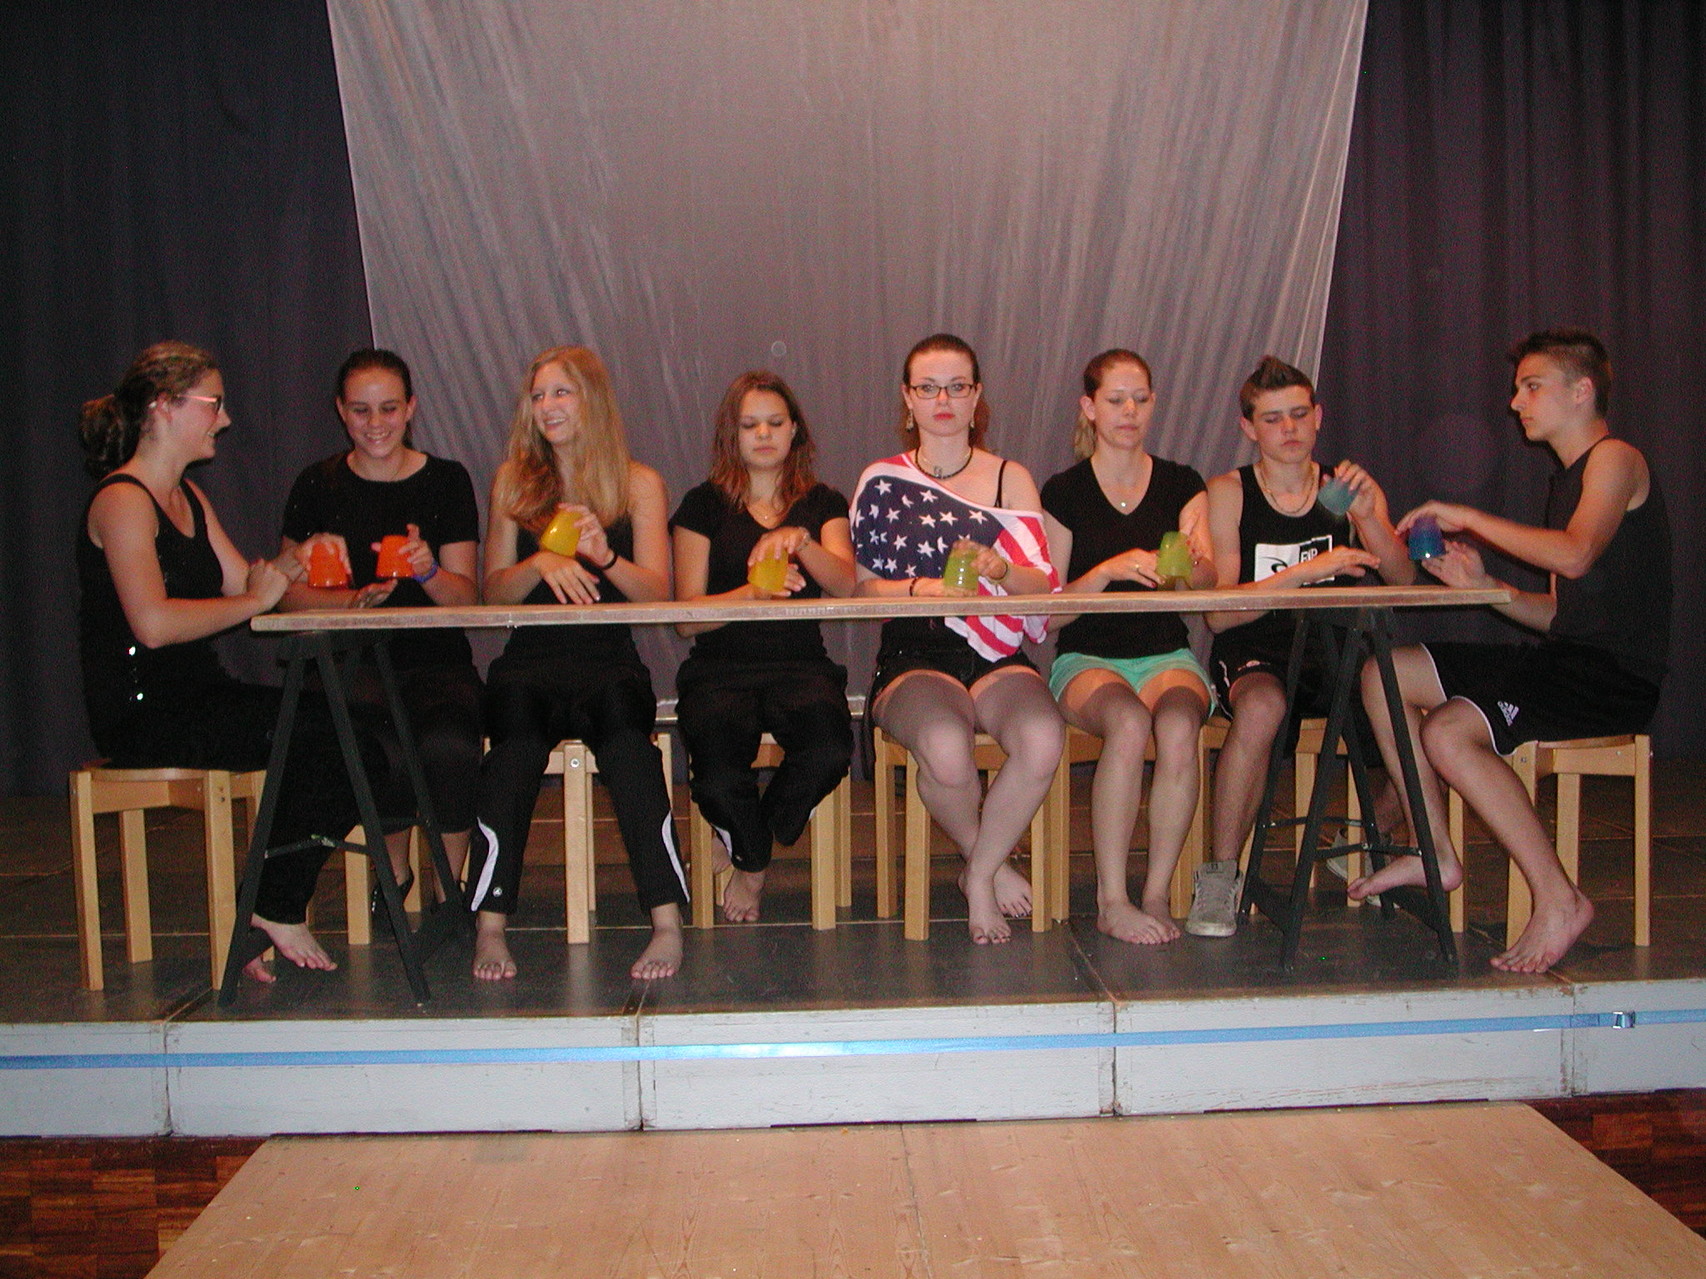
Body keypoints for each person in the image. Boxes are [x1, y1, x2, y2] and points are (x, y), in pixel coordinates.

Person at [1351, 329, 1670, 973]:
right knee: (1385, 673)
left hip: (1613, 677)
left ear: (1581, 391)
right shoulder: (1567, 482)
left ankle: (1559, 898)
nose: (1515, 402)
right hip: (1566, 660)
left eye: (1531, 386)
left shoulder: (1615, 459)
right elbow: (1556, 611)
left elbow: (1575, 555)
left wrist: (1469, 517)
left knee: (1447, 733)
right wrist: (1485, 588)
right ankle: (1435, 851)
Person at [77, 341, 375, 983]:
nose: (225, 419)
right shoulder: (123, 500)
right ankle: (272, 903)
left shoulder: (189, 497)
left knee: (360, 733)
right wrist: (253, 599)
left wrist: (312, 575)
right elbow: (154, 625)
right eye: (213, 404)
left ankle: (268, 903)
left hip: (200, 692)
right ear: (164, 407)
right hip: (143, 712)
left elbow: (251, 586)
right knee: (326, 736)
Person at [466, 345, 687, 981]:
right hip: (528, 659)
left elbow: (659, 597)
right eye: (538, 396)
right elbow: (491, 595)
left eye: (561, 393)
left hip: (608, 658)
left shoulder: (638, 484)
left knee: (631, 753)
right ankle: (489, 925)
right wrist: (539, 561)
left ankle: (666, 922)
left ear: (592, 400)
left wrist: (604, 556)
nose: (548, 407)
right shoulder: (513, 482)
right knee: (509, 757)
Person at [851, 333, 1063, 944]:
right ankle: (986, 864)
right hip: (915, 650)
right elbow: (863, 593)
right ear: (907, 398)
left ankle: (980, 872)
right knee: (945, 747)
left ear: (976, 395)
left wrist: (1003, 569)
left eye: (956, 387)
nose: (942, 400)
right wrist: (921, 589)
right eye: (928, 388)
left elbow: (1042, 584)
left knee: (1043, 737)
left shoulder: (1010, 477)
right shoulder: (883, 479)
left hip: (996, 650)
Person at [1196, 356, 1412, 938]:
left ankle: (1363, 838)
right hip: (1257, 642)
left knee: (1417, 708)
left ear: (1318, 416)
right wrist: (1308, 572)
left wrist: (1370, 522)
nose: (1288, 429)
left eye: (1298, 414)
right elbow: (1219, 612)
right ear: (1249, 427)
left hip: (1336, 644)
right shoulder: (1230, 491)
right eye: (1272, 419)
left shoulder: (1343, 487)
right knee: (1262, 707)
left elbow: (1403, 581)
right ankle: (1220, 875)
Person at [278, 349, 483, 908]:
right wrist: (349, 603)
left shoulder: (446, 480)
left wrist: (430, 571)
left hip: (435, 658)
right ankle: (392, 875)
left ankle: (449, 884)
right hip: (350, 660)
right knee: (377, 743)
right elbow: (283, 593)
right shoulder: (316, 484)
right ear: (341, 411)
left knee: (451, 746)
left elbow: (468, 598)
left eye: (389, 409)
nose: (375, 423)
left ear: (411, 408)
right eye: (361, 410)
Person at [1041, 349, 1217, 945]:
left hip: (1166, 652)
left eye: (1140, 399)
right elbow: (1051, 611)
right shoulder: (1064, 491)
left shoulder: (1182, 483)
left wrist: (1192, 566)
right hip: (1087, 656)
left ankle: (1157, 891)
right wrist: (1108, 570)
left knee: (1178, 725)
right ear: (1089, 407)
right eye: (1116, 400)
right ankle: (1112, 899)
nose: (1129, 411)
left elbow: (1206, 586)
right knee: (1128, 721)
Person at [671, 371, 856, 922]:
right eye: (750, 425)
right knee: (716, 773)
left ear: (795, 429)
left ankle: (750, 851)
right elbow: (684, 618)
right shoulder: (702, 504)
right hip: (719, 668)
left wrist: (802, 542)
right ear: (732, 435)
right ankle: (752, 855)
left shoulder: (822, 501)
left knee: (829, 749)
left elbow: (847, 585)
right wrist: (750, 592)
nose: (764, 434)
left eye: (775, 422)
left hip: (801, 664)